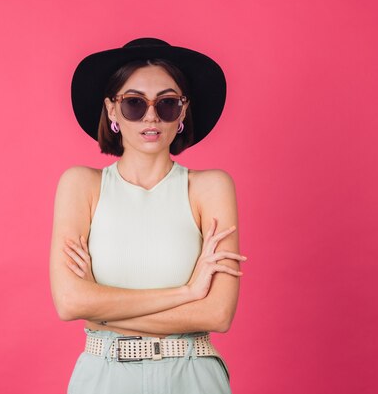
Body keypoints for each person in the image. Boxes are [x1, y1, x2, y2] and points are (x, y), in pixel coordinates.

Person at [50, 38, 245, 394]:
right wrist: (187, 292)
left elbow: (217, 315)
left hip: (192, 374)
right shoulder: (81, 185)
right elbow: (69, 303)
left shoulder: (210, 187)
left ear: (183, 112)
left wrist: (102, 310)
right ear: (111, 110)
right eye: (134, 103)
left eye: (168, 103)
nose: (151, 116)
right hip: (105, 374)